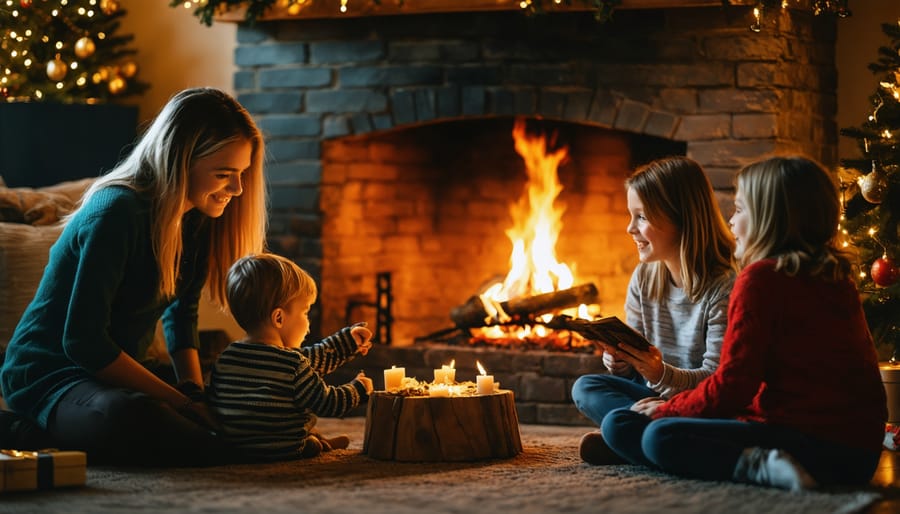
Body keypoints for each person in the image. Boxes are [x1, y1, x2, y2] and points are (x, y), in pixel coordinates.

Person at [0, 87, 268, 466]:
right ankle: (21, 429)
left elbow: (182, 315)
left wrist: (194, 393)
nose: (238, 189)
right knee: (130, 417)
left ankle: (230, 443)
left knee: (234, 403)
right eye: (225, 174)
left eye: (240, 174)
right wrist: (183, 403)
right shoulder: (116, 211)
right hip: (52, 374)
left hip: (123, 369)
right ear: (180, 160)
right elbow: (84, 342)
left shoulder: (196, 217)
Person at [601, 155, 888, 491]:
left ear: (769, 219)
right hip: (860, 455)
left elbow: (733, 385)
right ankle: (644, 444)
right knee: (630, 421)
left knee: (651, 433)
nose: (731, 222)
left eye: (739, 210)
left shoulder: (760, 280)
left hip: (805, 444)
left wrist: (669, 410)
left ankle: (757, 464)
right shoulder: (836, 277)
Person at [571, 156, 736, 465]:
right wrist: (620, 361)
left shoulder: (724, 286)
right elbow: (638, 365)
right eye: (630, 216)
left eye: (641, 217)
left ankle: (629, 440)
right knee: (586, 387)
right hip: (651, 393)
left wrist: (661, 374)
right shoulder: (644, 278)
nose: (630, 228)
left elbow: (717, 378)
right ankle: (639, 438)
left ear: (680, 218)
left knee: (615, 423)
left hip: (697, 401)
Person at [207, 252, 374, 462]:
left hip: (234, 449)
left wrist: (348, 342)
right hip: (282, 449)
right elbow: (327, 402)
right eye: (305, 312)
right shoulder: (292, 364)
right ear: (278, 318)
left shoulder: (226, 358)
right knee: (306, 434)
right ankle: (313, 444)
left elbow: (312, 358)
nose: (308, 321)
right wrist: (359, 389)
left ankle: (319, 442)